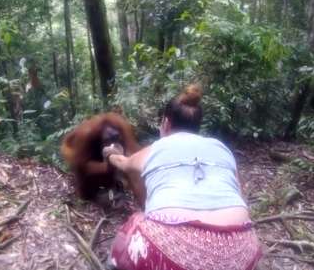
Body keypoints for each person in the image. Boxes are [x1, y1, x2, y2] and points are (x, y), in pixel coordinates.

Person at [102, 84, 263, 270]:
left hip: (172, 250)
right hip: (240, 251)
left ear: (166, 123)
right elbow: (241, 203)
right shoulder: (221, 149)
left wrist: (110, 153)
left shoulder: (155, 149)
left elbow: (123, 163)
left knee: (134, 224)